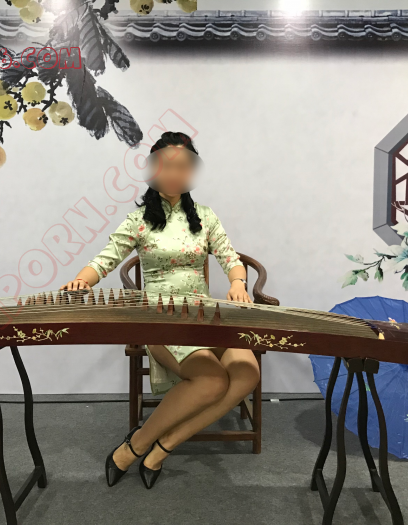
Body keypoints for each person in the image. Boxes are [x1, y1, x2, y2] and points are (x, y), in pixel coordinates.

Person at [60, 131, 259, 490]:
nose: (175, 173)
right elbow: (106, 259)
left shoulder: (205, 217)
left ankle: (163, 446)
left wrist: (238, 282)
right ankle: (135, 445)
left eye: (183, 166)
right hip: (162, 317)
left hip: (205, 314)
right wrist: (81, 281)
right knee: (213, 380)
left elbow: (230, 257)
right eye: (167, 166)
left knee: (246, 373)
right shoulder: (139, 220)